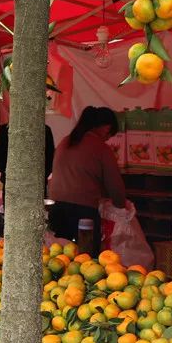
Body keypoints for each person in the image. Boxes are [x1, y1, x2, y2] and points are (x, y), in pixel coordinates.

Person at [48, 106, 126, 252]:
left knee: (59, 255)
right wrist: (121, 204)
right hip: (82, 213)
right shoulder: (101, 148)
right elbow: (115, 186)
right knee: (87, 258)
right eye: (109, 134)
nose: (107, 139)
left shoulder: (66, 141)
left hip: (55, 208)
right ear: (105, 127)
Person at [0, 123, 55, 196]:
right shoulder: (5, 130)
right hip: (15, 184)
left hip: (34, 184)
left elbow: (51, 159)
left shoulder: (44, 130)